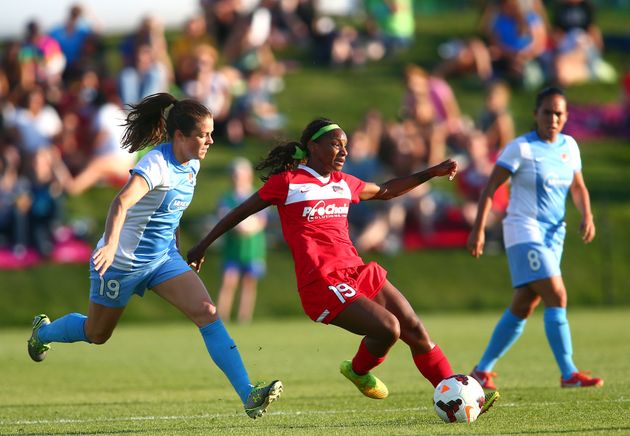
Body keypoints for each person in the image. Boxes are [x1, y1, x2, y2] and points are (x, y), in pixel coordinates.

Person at [187, 118, 499, 411]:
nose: (344, 151)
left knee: (415, 329)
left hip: (356, 271)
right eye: (337, 144)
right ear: (313, 146)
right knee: (389, 328)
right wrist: (203, 244)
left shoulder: (343, 183)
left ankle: (459, 397)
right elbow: (240, 212)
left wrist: (430, 172)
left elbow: (387, 190)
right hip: (321, 282)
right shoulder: (288, 183)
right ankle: (359, 370)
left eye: (346, 145)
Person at [26, 92, 282, 419]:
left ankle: (248, 393)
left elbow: (168, 213)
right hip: (121, 263)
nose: (211, 140)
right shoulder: (155, 165)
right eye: (203, 134)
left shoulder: (193, 164)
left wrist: (174, 248)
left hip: (162, 260)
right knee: (97, 334)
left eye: (211, 133)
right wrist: (109, 244)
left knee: (207, 312)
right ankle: (43, 333)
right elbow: (121, 203)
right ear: (179, 136)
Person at [467, 86, 603, 389]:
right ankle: (568, 373)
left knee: (525, 302)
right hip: (523, 229)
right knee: (557, 294)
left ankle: (481, 370)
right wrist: (478, 229)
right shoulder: (521, 147)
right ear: (535, 114)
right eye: (547, 112)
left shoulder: (570, 146)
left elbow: (578, 187)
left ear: (566, 116)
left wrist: (587, 215)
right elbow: (490, 188)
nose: (552, 118)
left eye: (558, 113)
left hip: (555, 233)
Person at [215, 157, 267, 324]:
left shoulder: (256, 196)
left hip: (252, 248)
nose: (238, 178)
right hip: (233, 249)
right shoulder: (226, 198)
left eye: (241, 174)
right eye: (235, 175)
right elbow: (224, 218)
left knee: (248, 284)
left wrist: (247, 226)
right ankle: (221, 318)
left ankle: (244, 319)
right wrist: (242, 226)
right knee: (228, 282)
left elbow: (260, 221)